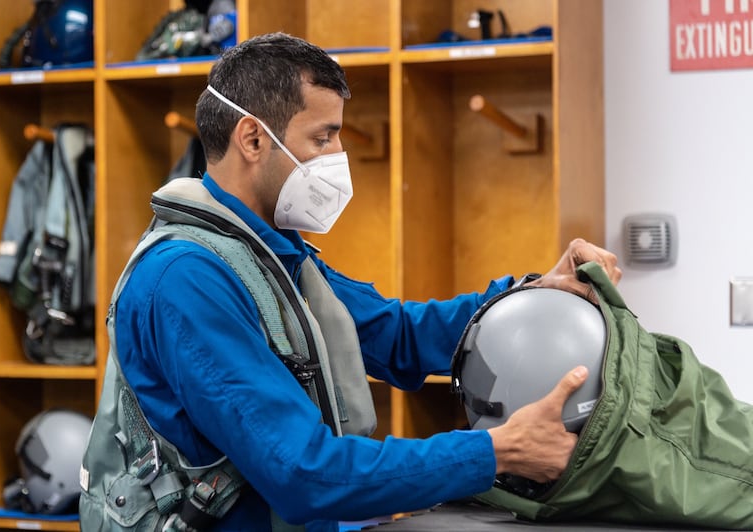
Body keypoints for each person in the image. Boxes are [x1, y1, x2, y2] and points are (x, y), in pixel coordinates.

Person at [79, 32, 621, 532]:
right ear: (251, 138)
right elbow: (303, 474)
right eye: (323, 137)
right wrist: (496, 451)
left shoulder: (273, 258)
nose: (338, 157)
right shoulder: (185, 281)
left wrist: (533, 293)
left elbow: (399, 336)